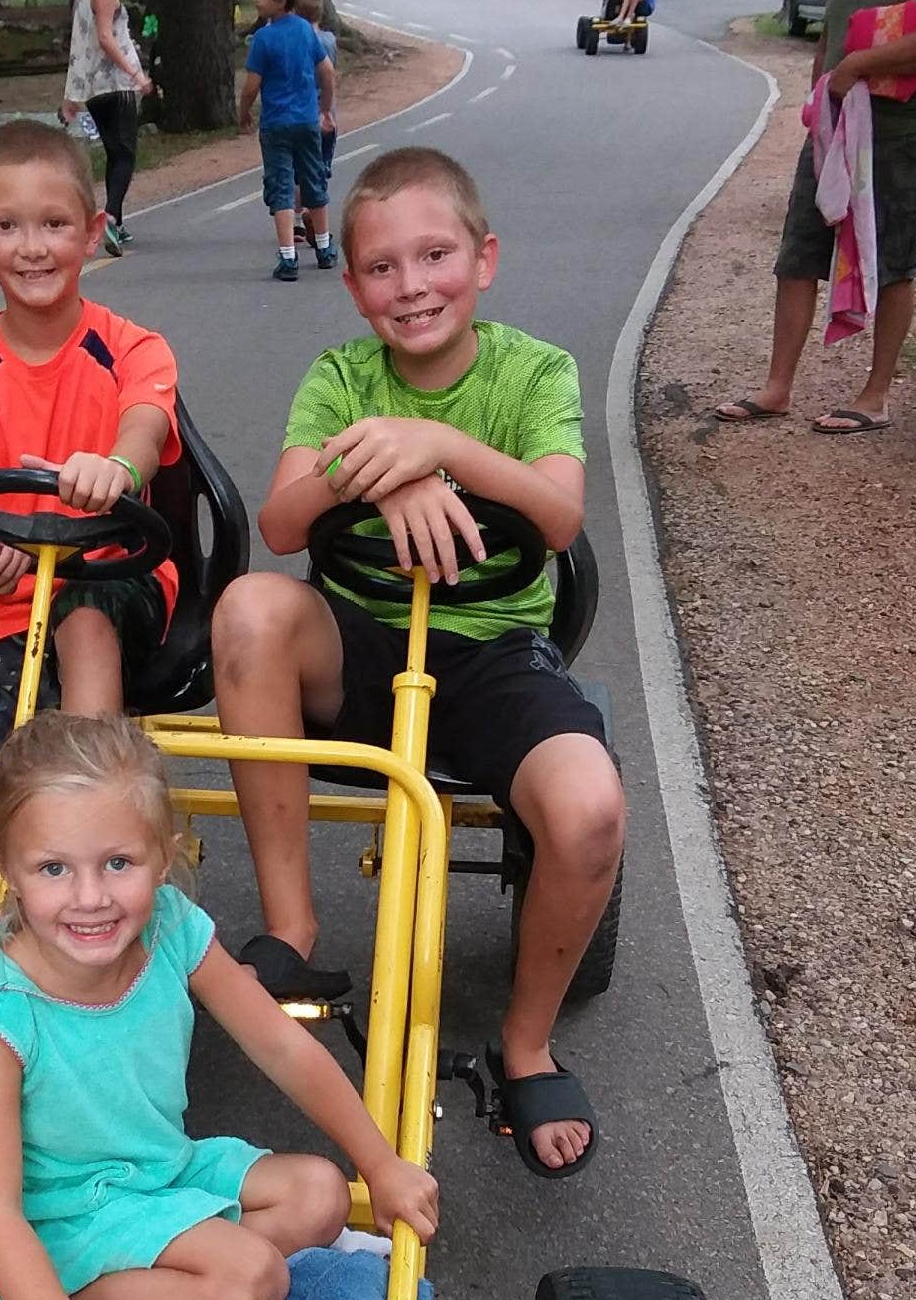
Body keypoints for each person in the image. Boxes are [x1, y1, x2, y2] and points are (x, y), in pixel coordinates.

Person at [209, 148, 625, 1180]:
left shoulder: (535, 371)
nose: (412, 285)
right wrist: (379, 471)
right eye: (384, 268)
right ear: (352, 287)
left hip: (492, 655)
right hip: (355, 645)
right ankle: (294, 928)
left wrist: (433, 444)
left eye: (434, 256)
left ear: (482, 260)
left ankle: (525, 1045)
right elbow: (279, 518)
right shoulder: (342, 377)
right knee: (252, 608)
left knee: (589, 810)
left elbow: (560, 511)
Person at [0, 711, 440, 1300]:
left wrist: (379, 1162)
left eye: (117, 862)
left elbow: (281, 1043)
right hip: (54, 1210)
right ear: (7, 872)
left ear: (164, 857)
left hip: (152, 1169)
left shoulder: (170, 926)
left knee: (322, 1193)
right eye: (53, 869)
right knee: (252, 1278)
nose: (91, 898)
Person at [0, 119, 179, 787]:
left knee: (85, 615)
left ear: (92, 231)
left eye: (54, 225)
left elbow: (146, 431)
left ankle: (89, 800)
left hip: (117, 577)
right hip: (8, 608)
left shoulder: (134, 348)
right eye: (7, 227)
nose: (32, 248)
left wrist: (115, 470)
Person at [714, 0, 916, 434]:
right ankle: (777, 387)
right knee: (799, 252)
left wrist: (860, 66)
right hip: (835, 128)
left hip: (903, 133)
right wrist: (817, 103)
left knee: (895, 260)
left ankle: (875, 396)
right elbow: (830, 36)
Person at [237, 0, 337, 281]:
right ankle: (323, 247)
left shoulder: (264, 40)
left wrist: (243, 110)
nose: (257, 0)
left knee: (281, 186)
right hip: (307, 120)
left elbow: (252, 85)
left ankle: (288, 257)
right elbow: (327, 72)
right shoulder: (306, 31)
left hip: (276, 124)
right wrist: (324, 107)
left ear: (280, 1)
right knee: (314, 180)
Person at [62, 0, 152, 257]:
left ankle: (119, 221)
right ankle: (111, 217)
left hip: (94, 88)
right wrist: (134, 73)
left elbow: (79, 45)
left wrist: (72, 94)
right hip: (115, 84)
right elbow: (104, 37)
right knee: (126, 153)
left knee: (115, 152)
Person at [295, 0, 338, 250]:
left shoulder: (297, 41)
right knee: (319, 168)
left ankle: (298, 219)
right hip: (326, 114)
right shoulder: (329, 41)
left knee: (297, 171)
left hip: (300, 112)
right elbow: (330, 74)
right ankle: (317, 212)